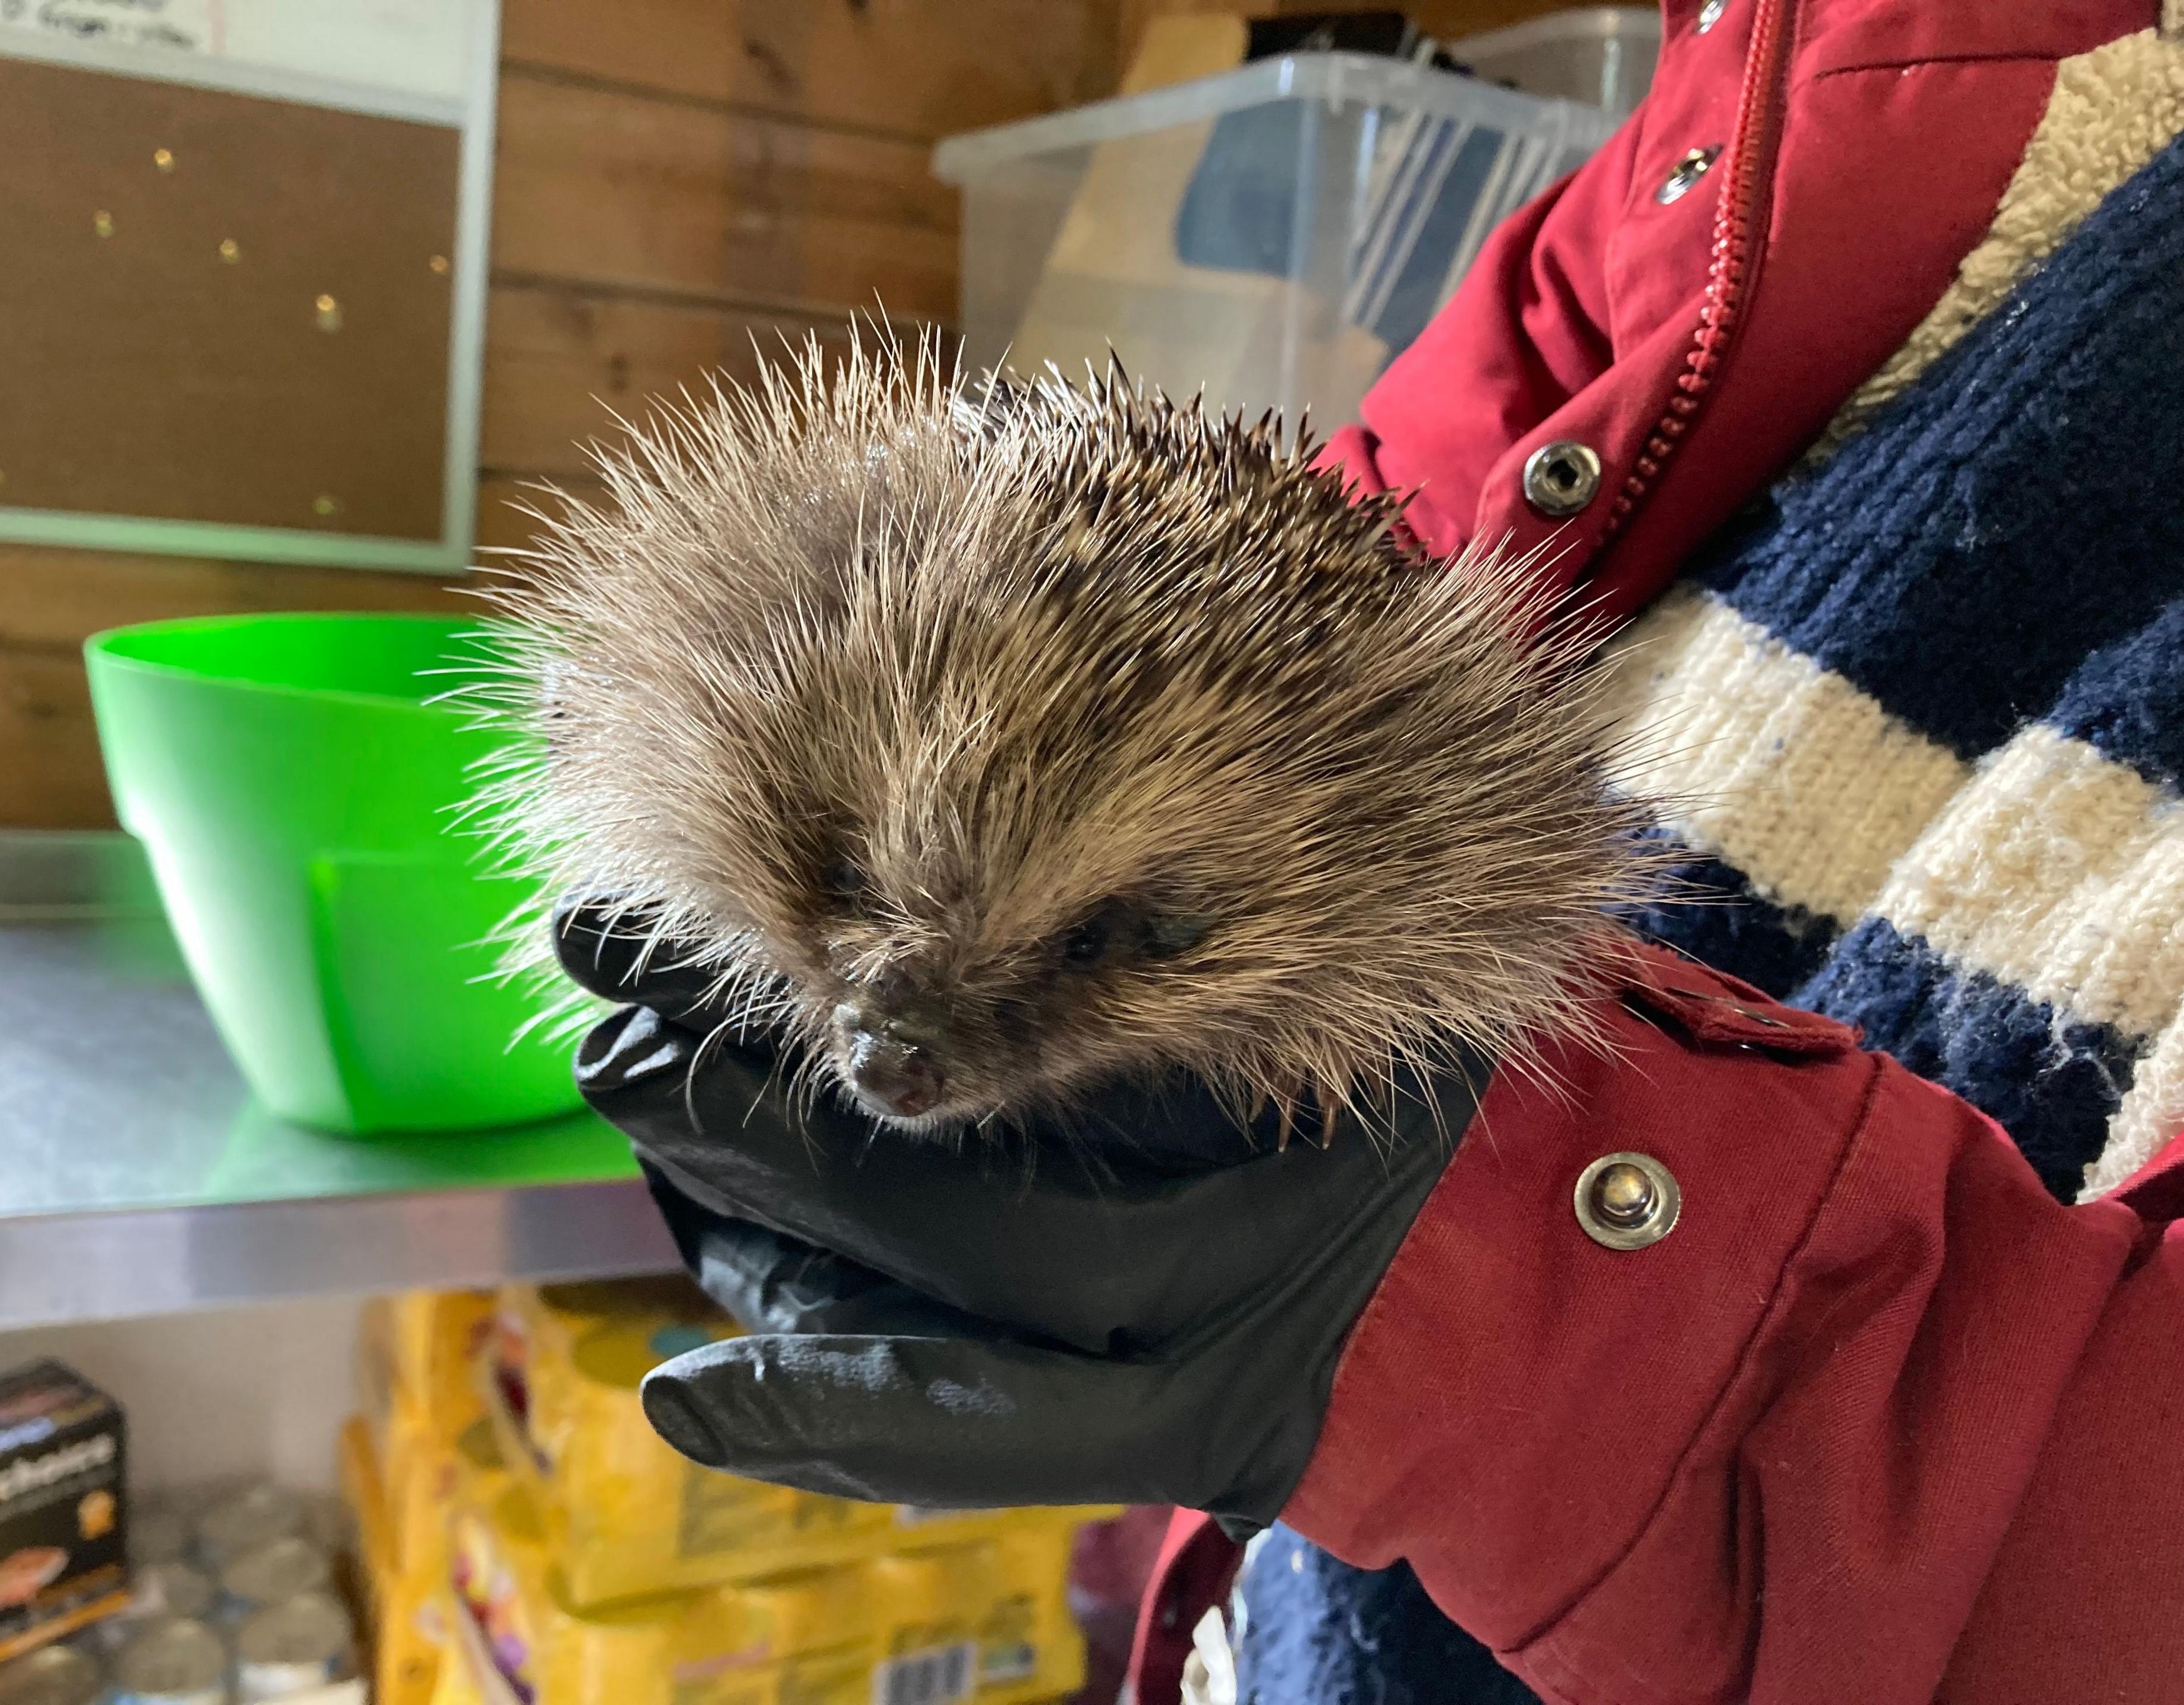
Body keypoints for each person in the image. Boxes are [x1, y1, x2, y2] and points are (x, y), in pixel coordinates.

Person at [553, 0, 2184, 1699]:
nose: (908, 1038)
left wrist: (1507, 1304)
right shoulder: (1862, 61)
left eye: (1110, 938)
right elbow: (1318, 550)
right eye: (843, 874)